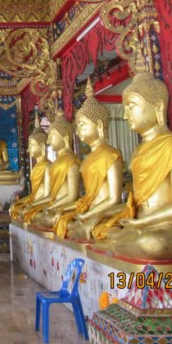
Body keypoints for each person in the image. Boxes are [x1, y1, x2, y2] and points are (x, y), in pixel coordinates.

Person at [94, 70, 172, 260]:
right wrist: (104, 214)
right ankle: (121, 241)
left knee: (152, 244)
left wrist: (142, 223)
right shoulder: (139, 151)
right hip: (140, 224)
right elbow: (134, 204)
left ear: (158, 107)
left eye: (131, 107)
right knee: (100, 229)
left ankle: (121, 243)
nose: (125, 116)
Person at [52, 79, 123, 239]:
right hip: (89, 211)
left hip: (105, 214)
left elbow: (114, 198)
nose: (77, 131)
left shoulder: (111, 155)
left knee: (102, 232)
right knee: (64, 223)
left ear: (99, 125)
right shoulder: (86, 159)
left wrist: (89, 214)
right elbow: (86, 197)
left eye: (82, 125)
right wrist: (73, 211)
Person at [23, 109, 80, 225]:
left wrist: (52, 207)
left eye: (51, 136)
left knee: (39, 218)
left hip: (66, 207)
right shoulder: (56, 163)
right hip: (55, 206)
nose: (48, 141)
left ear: (65, 137)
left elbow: (73, 195)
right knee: (31, 215)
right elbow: (51, 195)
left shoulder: (71, 161)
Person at [10, 113, 50, 221]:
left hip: (43, 205)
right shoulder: (36, 167)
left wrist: (31, 205)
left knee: (28, 214)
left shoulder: (48, 166)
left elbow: (49, 196)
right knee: (16, 208)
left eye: (31, 145)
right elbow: (33, 195)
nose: (28, 149)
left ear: (42, 146)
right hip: (36, 202)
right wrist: (19, 202)